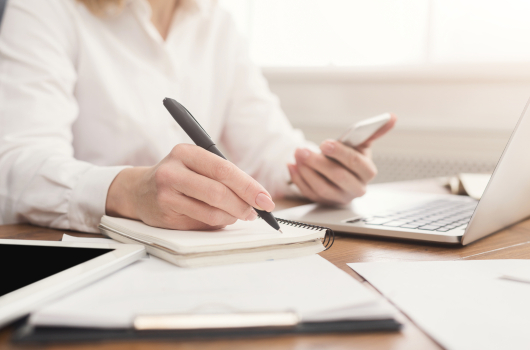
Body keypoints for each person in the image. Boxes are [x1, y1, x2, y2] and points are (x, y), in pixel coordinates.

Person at [0, 0, 396, 233]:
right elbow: (14, 166)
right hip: (87, 261)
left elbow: (266, 145)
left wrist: (317, 171)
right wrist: (128, 190)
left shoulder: (214, 19)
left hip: (203, 258)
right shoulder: (45, 9)